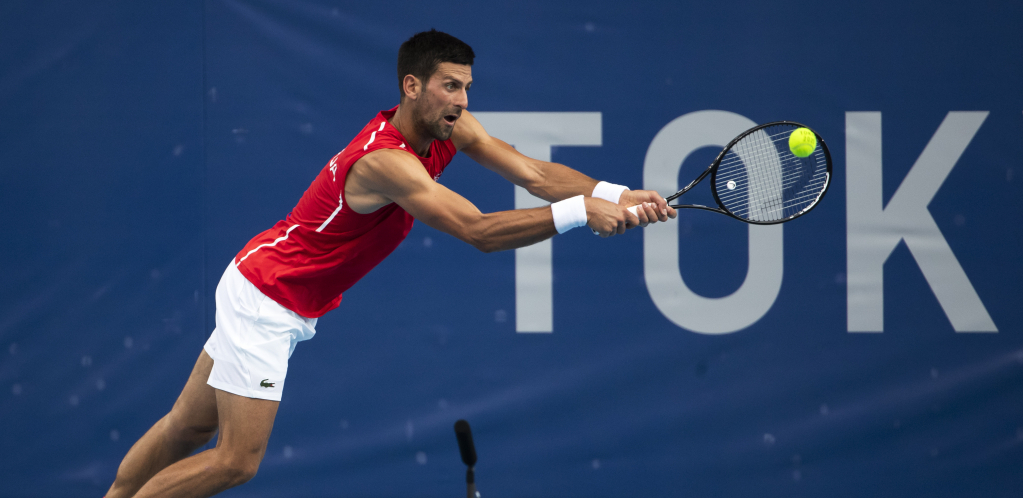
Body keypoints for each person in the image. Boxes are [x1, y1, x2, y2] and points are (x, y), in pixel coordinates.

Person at [105, 29, 676, 497]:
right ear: (412, 86)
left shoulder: (452, 128)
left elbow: (533, 174)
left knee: (189, 426)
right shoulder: (386, 163)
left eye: (467, 88)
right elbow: (478, 231)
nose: (462, 101)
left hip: (262, 277)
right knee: (234, 461)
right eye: (450, 87)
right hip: (268, 297)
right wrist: (581, 211)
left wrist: (616, 192)